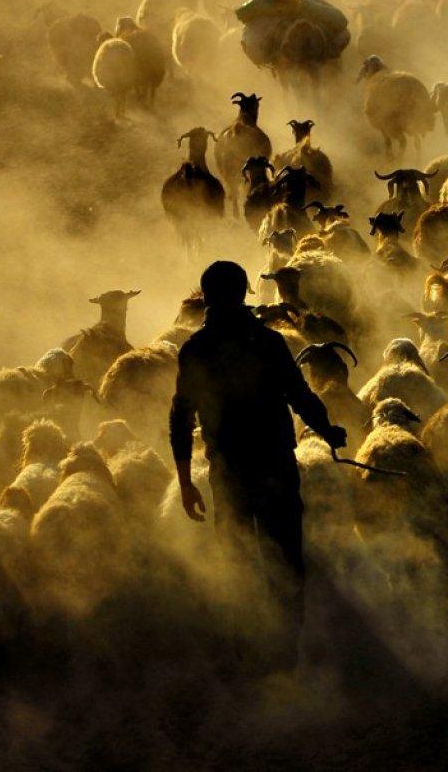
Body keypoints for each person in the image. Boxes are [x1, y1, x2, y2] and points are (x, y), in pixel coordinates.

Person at [169, 260, 347, 669]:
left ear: (206, 296)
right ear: (244, 292)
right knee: (285, 558)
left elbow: (181, 417)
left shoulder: (196, 349)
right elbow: (299, 395)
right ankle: (287, 652)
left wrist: (185, 482)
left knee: (238, 561)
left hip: (228, 472)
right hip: (273, 467)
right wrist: (327, 430)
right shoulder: (267, 342)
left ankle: (245, 651)